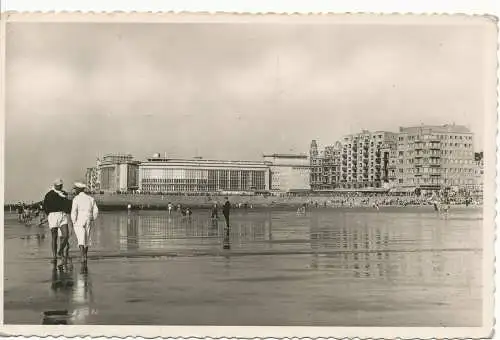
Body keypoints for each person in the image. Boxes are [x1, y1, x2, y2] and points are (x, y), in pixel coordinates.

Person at [43, 179, 72, 262]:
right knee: (54, 237)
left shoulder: (64, 194)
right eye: (59, 185)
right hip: (53, 216)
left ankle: (60, 251)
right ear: (55, 185)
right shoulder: (49, 194)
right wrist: (49, 215)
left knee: (66, 236)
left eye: (61, 185)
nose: (61, 186)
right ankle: (54, 256)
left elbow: (67, 205)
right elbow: (45, 206)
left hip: (62, 215)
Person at [71, 182, 99, 263]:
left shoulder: (76, 199)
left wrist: (73, 221)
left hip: (79, 219)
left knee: (81, 238)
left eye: (76, 189)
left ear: (79, 190)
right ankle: (85, 256)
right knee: (87, 238)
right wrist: (92, 218)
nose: (75, 190)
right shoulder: (90, 198)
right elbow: (96, 211)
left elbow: (74, 211)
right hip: (88, 218)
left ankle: (82, 256)